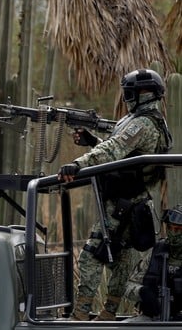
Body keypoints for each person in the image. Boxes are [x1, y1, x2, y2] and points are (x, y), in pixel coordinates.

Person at [57, 68, 173, 321]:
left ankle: (80, 314)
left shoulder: (143, 123)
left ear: (143, 93)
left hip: (124, 204)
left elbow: (115, 148)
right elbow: (124, 154)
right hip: (134, 202)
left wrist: (78, 165)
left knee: (90, 254)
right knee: (121, 257)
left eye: (130, 92)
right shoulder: (150, 120)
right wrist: (92, 141)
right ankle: (108, 312)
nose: (127, 97)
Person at [124, 205, 182, 322]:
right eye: (170, 228)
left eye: (178, 229)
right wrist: (142, 292)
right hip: (152, 319)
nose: (172, 233)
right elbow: (128, 286)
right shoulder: (155, 252)